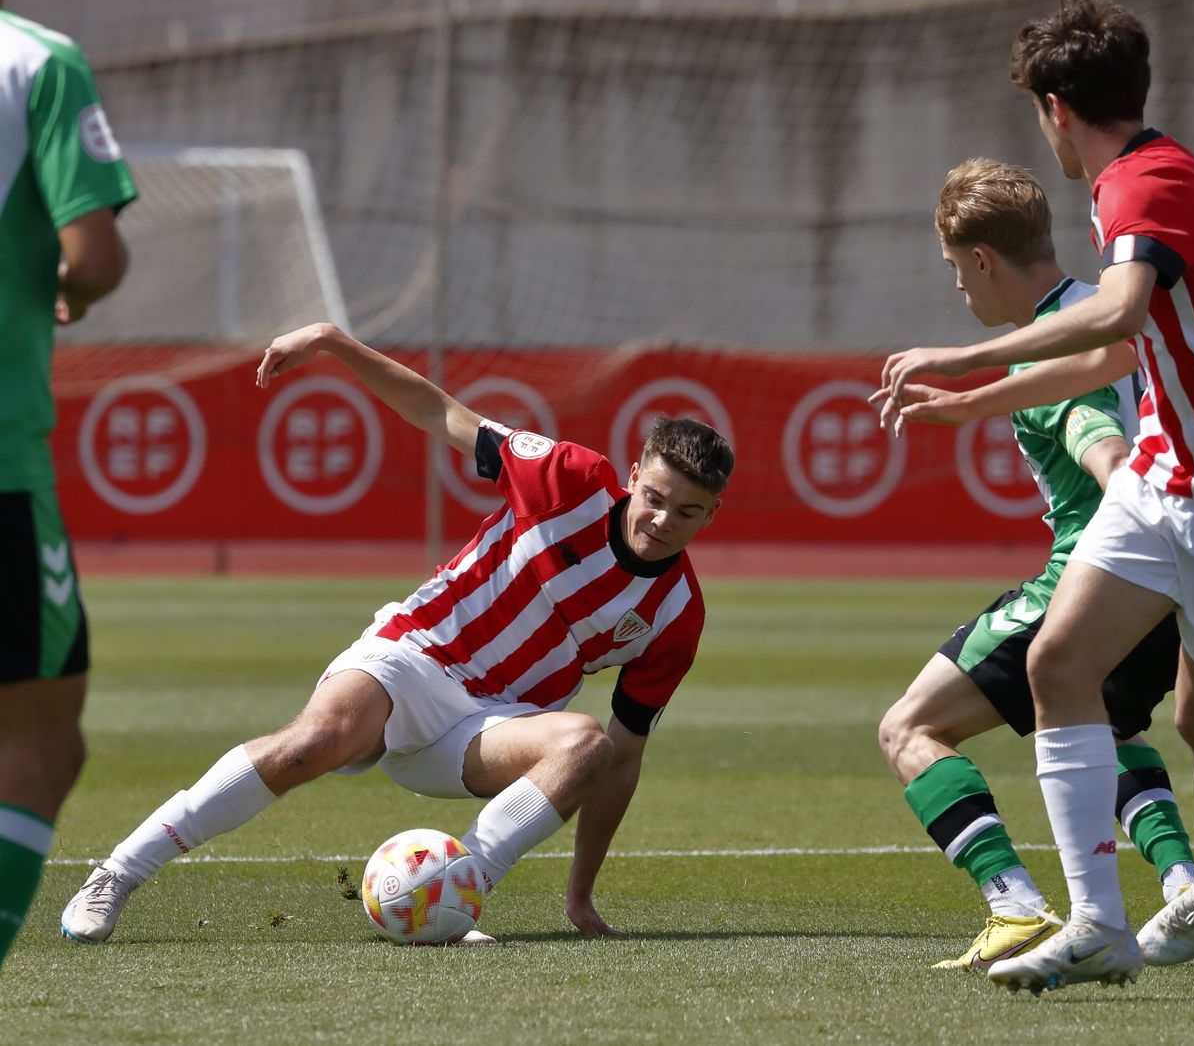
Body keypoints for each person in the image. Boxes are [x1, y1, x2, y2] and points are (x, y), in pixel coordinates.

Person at [882, 0, 1194, 993]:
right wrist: (972, 404)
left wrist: (966, 353)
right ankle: (1097, 920)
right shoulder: (1129, 189)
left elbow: (1118, 310)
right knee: (1059, 662)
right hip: (1170, 478)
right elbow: (1119, 345)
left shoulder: (1144, 184)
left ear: (1055, 107)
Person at [61, 321, 734, 944]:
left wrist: (581, 894)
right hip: (414, 658)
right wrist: (332, 341)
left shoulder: (678, 614)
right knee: (311, 744)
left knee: (586, 743)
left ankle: (455, 890)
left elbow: (624, 756)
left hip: (491, 730)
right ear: (635, 472)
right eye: (655, 497)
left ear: (709, 516)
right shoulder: (565, 479)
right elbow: (438, 411)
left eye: (687, 512)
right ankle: (119, 872)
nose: (661, 521)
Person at [875, 158, 1194, 972]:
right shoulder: (1112, 310)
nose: (959, 294)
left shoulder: (1040, 358)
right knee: (1106, 725)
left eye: (953, 271)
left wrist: (1126, 497)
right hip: (1185, 575)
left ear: (980, 260)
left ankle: (1015, 907)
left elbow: (1100, 444)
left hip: (1103, 570)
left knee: (910, 726)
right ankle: (1187, 884)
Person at [0, 0, 136, 969]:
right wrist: (70, 289)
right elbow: (94, 255)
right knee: (41, 741)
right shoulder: (35, 64)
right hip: (0, 462)